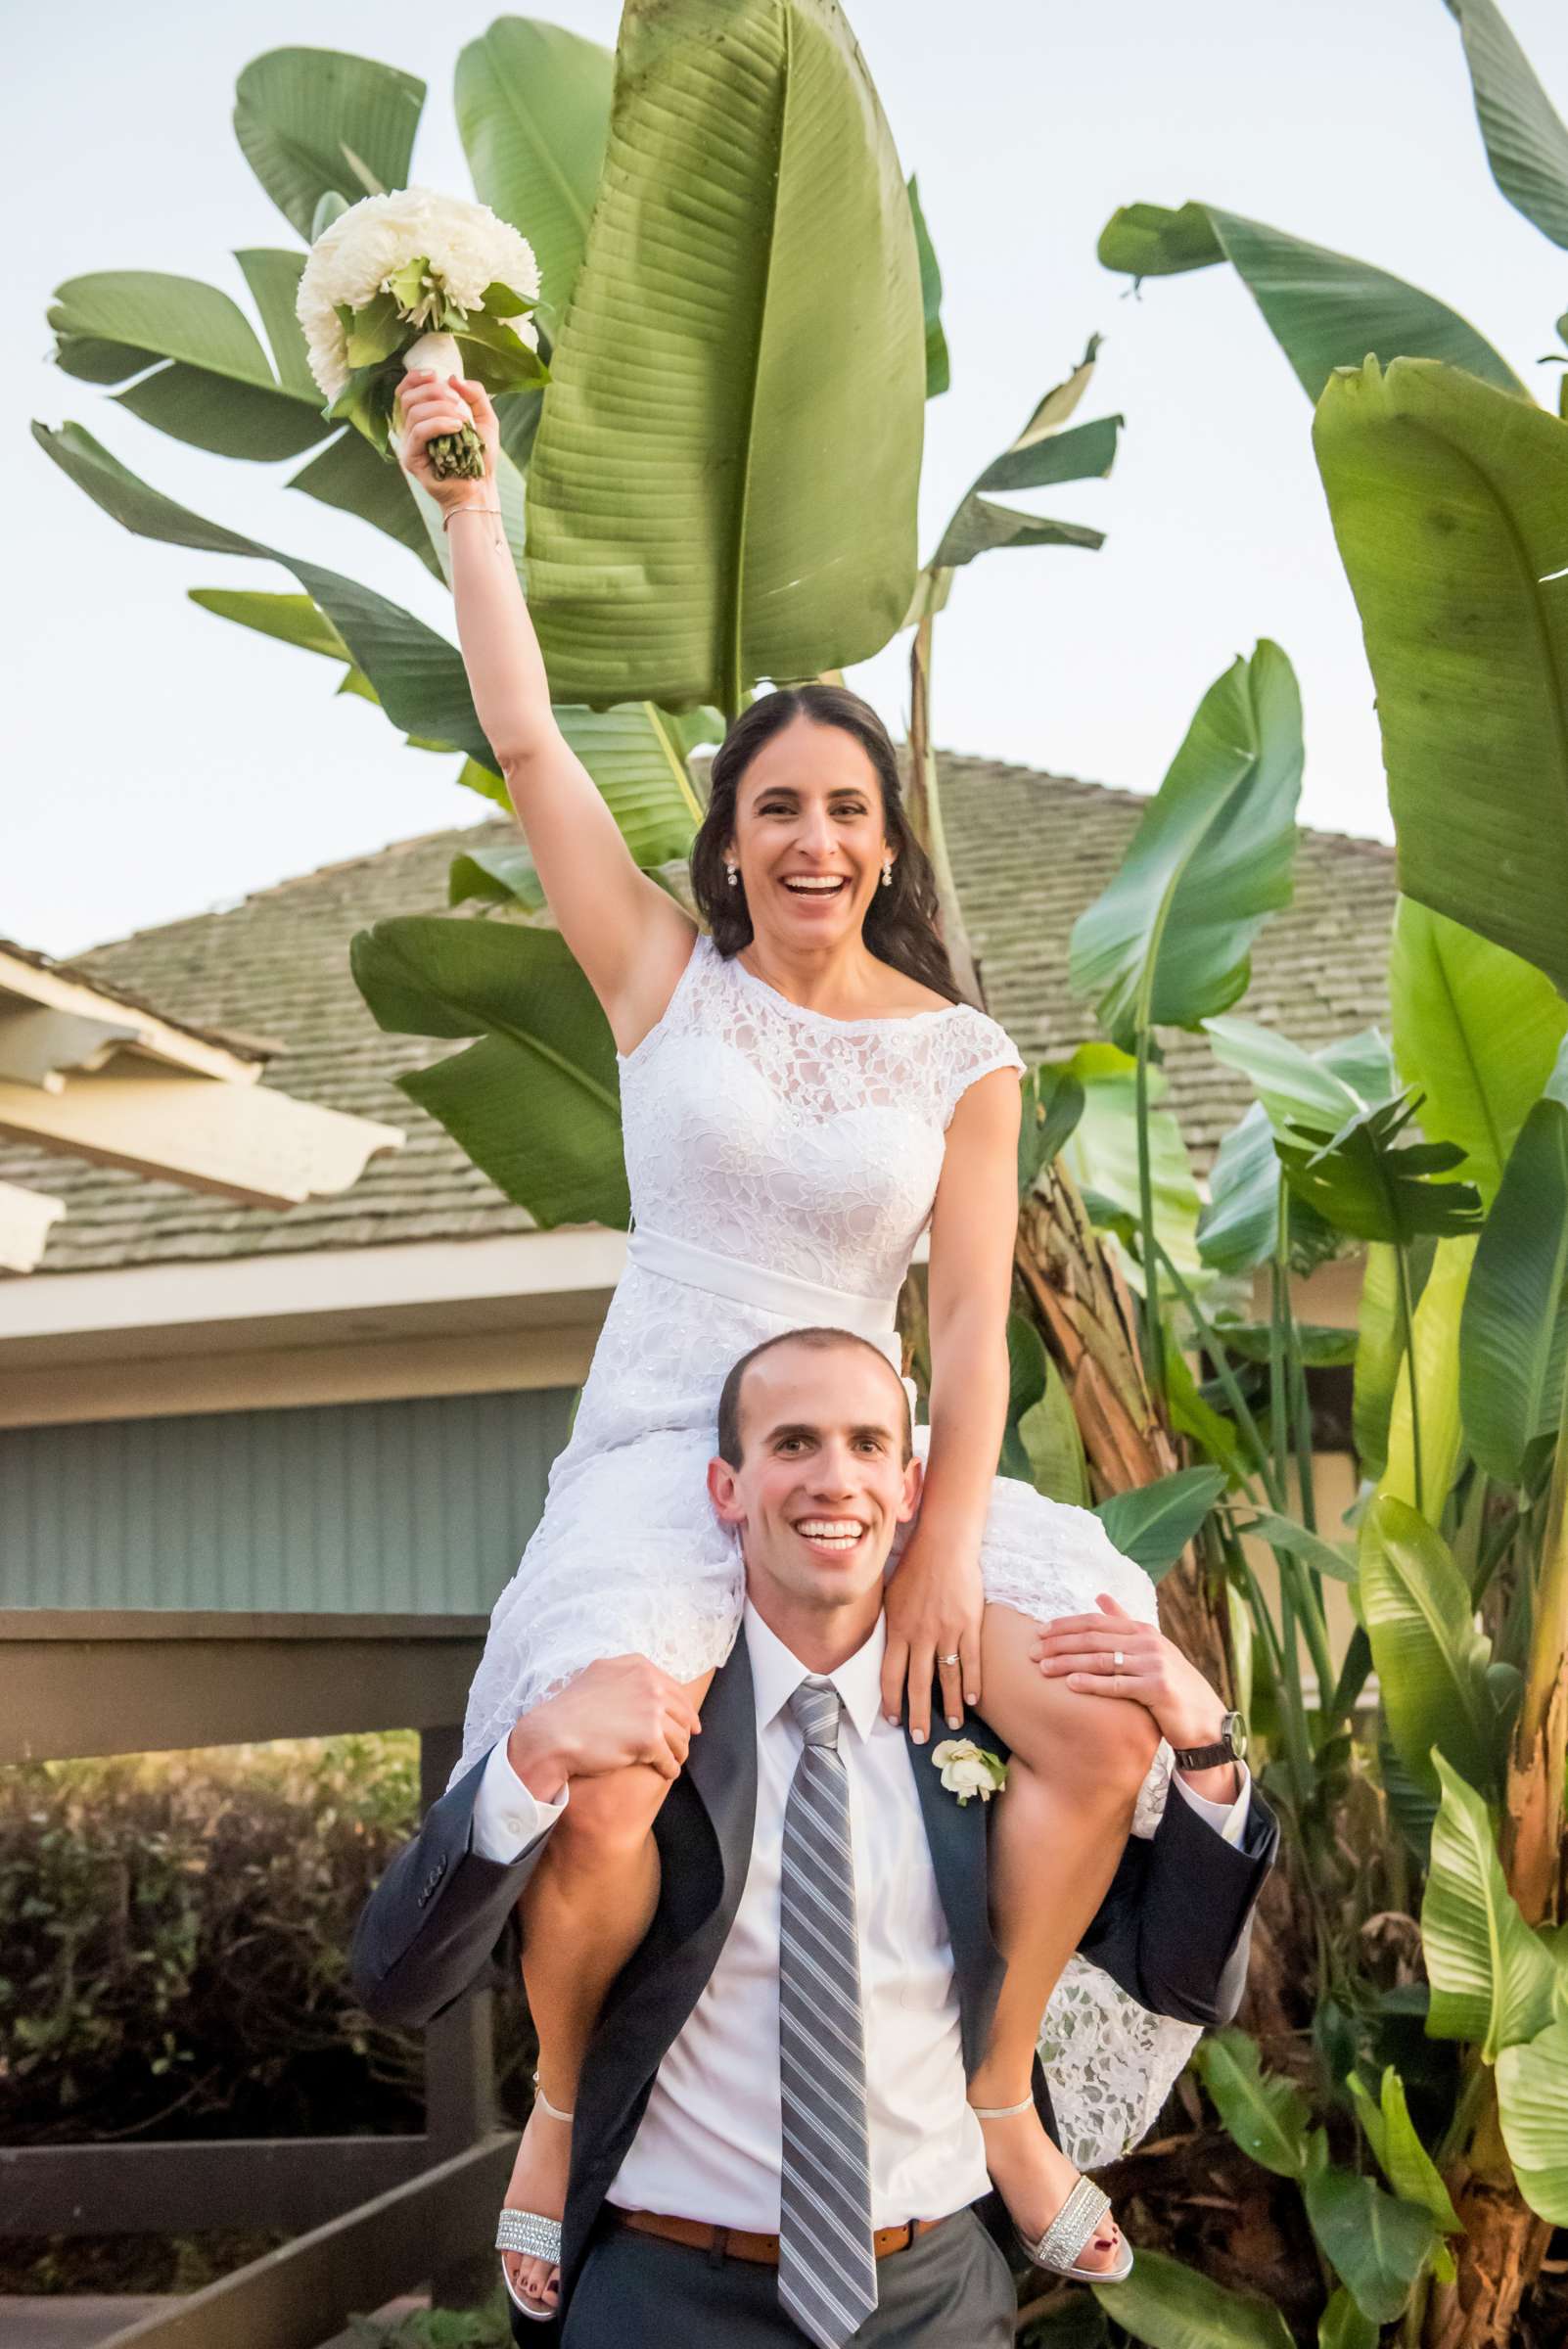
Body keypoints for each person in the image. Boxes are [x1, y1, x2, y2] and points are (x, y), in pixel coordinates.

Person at [394, 368, 1248, 2317]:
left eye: (846, 809)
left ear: (880, 847)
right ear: (729, 839)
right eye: (776, 805)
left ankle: (1000, 2093)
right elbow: (524, 736)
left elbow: (967, 1320)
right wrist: (467, 501)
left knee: (1108, 1719)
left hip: (874, 1470)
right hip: (666, 1455)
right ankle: (553, 2109)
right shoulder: (658, 985)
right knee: (606, 1777)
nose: (813, 837)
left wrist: (949, 1527)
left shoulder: (961, 1058)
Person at [351, 1331, 1275, 2346]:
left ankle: (1005, 2118)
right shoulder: (639, 1739)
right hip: (663, 2294)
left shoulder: (993, 1734)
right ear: (726, 1488)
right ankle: (557, 2120)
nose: (834, 1480)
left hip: (934, 2296)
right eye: (793, 1444)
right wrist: (526, 1760)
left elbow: (1189, 1986)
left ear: (913, 1486)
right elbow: (398, 1982)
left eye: (866, 1445)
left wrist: (1207, 1753)